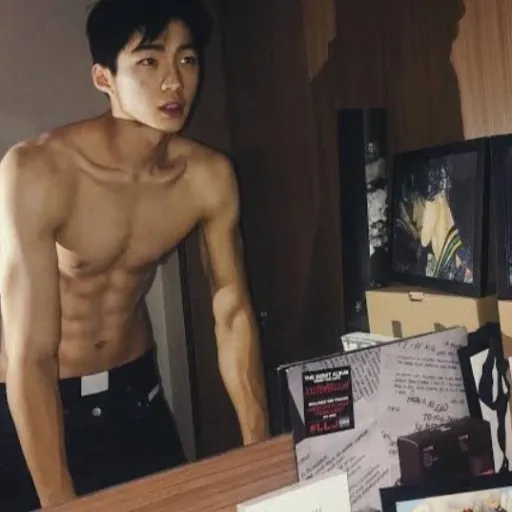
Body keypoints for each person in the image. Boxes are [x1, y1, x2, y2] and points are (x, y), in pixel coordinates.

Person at [0, 0, 269, 510]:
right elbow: (30, 355)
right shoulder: (38, 171)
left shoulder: (206, 177)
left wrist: (257, 450)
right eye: (149, 60)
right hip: (36, 405)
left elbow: (232, 311)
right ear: (104, 77)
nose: (173, 81)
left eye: (187, 59)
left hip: (132, 397)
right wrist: (61, 503)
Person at [396, 156, 473, 283]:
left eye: (416, 203)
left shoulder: (466, 272)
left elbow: (424, 239)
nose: (414, 215)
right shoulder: (451, 264)